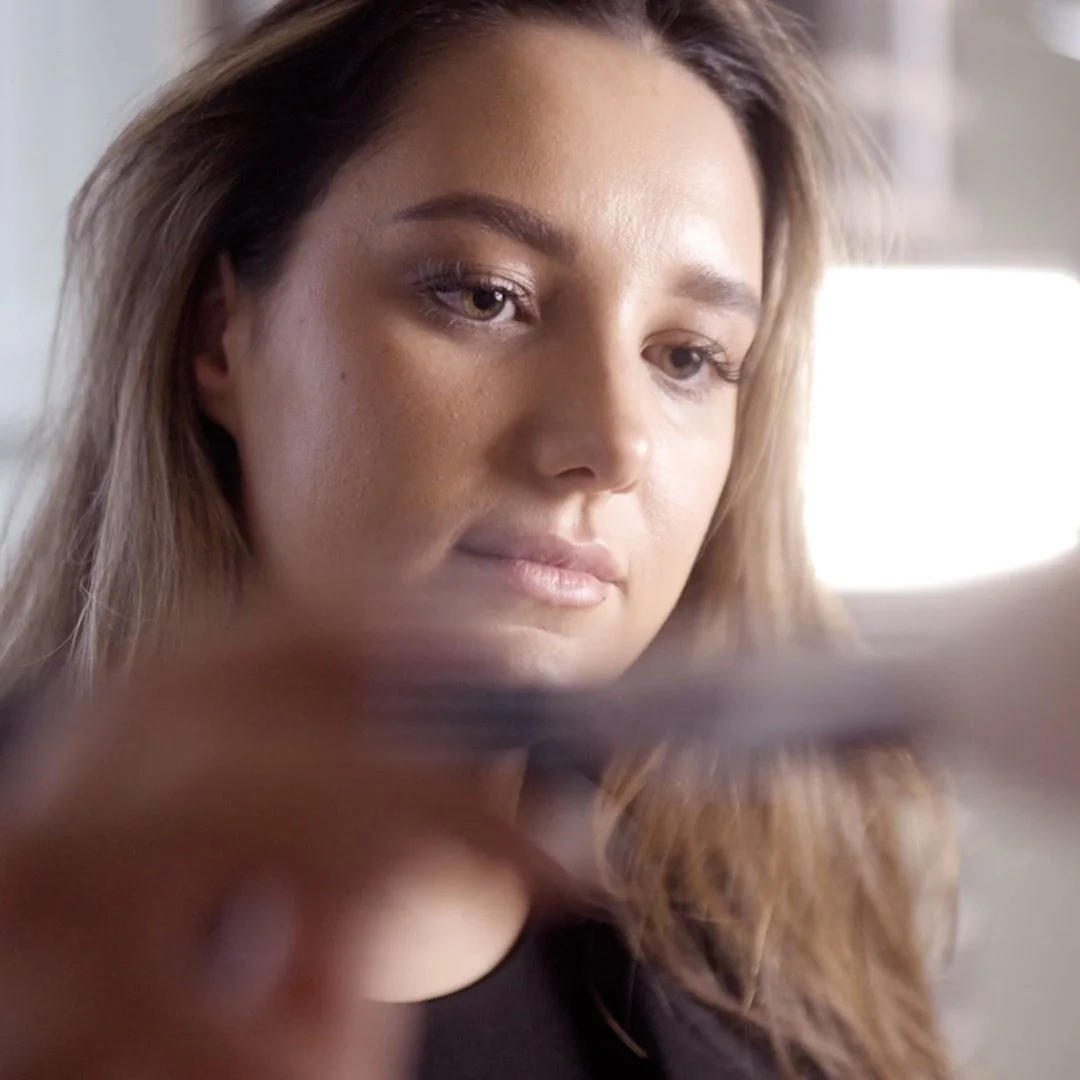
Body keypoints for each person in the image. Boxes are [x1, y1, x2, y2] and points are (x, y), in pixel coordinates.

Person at [0, 1, 961, 1078]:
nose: (608, 444)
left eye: (687, 357)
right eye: (483, 295)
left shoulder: (795, 1010)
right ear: (219, 333)